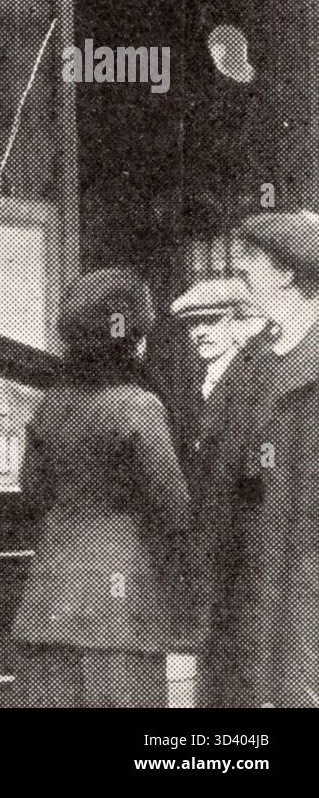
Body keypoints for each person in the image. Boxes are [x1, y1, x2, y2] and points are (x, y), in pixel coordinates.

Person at [12, 267, 190, 707]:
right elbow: (174, 508)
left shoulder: (50, 405)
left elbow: (31, 491)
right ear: (136, 341)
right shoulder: (138, 406)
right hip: (119, 606)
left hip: (47, 598)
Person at [208, 211, 319, 707]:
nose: (244, 270)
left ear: (288, 272)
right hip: (245, 571)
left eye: (254, 259)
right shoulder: (253, 357)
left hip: (301, 574)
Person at [168, 276, 271, 706]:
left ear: (240, 323)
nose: (201, 333)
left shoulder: (253, 377)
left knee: (238, 672)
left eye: (212, 322)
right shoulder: (210, 380)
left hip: (240, 552)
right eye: (193, 326)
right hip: (217, 551)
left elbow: (257, 472)